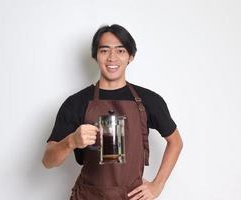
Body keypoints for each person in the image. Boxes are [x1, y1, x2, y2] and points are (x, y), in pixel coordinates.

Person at [42, 24, 183, 200]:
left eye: (121, 51)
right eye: (104, 51)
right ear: (95, 56)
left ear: (131, 56)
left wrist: (157, 185)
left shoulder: (149, 100)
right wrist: (71, 141)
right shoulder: (76, 103)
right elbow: (48, 161)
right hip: (89, 196)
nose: (112, 58)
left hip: (131, 196)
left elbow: (175, 142)